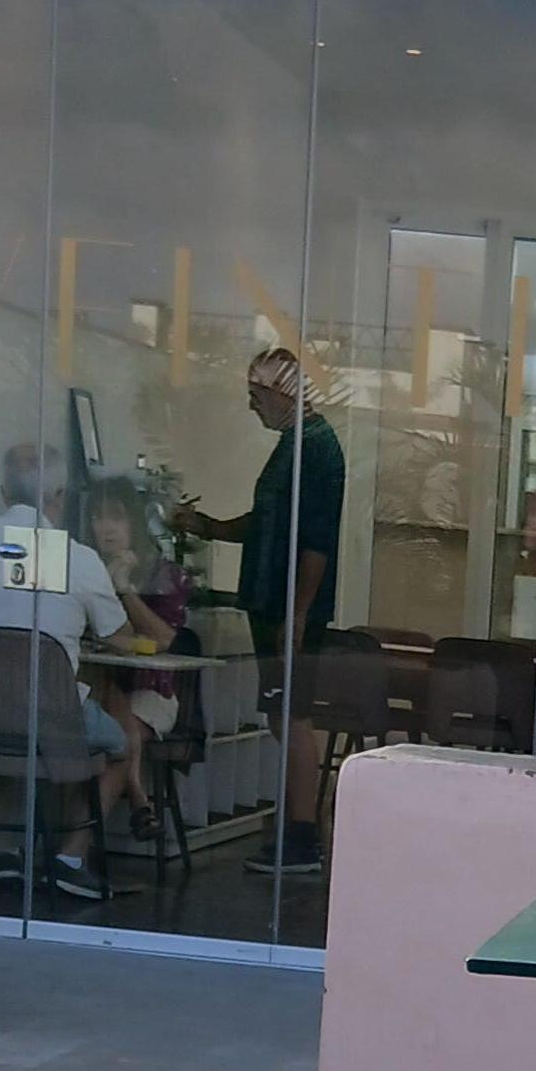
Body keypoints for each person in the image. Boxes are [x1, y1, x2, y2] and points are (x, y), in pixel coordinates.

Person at [0, 444, 130, 898]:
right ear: (60, 495)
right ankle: (69, 856)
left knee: (2, 720)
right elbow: (119, 634)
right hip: (50, 717)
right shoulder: (78, 558)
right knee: (124, 746)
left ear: (4, 492)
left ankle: (5, 852)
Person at [185, 350, 348, 863]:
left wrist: (297, 614)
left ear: (283, 392)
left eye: (257, 396)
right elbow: (268, 523)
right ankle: (299, 826)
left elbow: (315, 543)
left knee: (291, 715)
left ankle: (304, 834)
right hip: (273, 603)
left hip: (287, 608)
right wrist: (208, 527)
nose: (252, 406)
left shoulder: (316, 450)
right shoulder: (293, 446)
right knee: (282, 715)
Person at [85, 486, 196, 834]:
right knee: (103, 716)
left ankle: (78, 851)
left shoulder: (163, 574)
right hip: (96, 684)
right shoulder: (83, 566)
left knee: (113, 729)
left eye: (116, 517)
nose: (106, 527)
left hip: (152, 689)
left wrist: (125, 589)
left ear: (135, 522)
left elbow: (164, 640)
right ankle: (138, 800)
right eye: (97, 516)